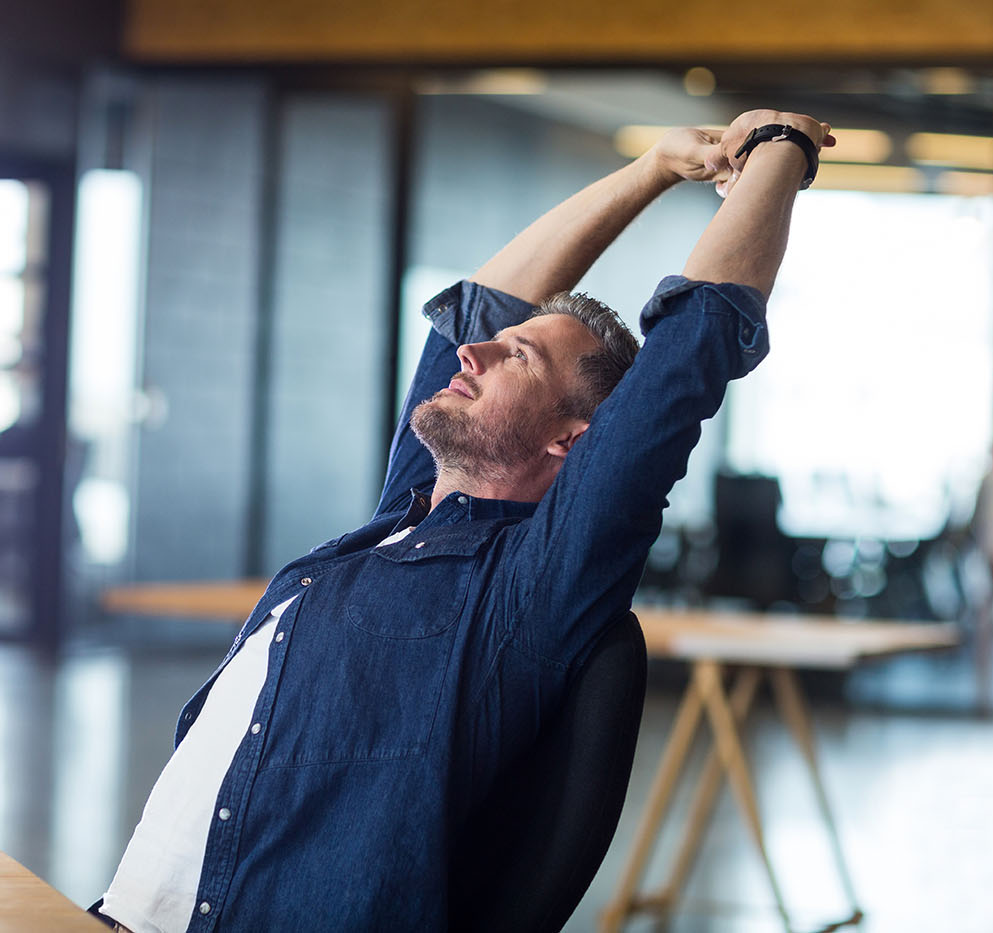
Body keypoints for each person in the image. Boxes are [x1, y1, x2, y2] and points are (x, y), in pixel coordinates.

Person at [94, 108, 834, 932]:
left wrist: (781, 149)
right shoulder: (400, 521)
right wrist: (654, 168)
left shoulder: (529, 586)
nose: (470, 356)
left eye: (515, 357)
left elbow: (690, 349)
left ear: (573, 439)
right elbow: (485, 305)